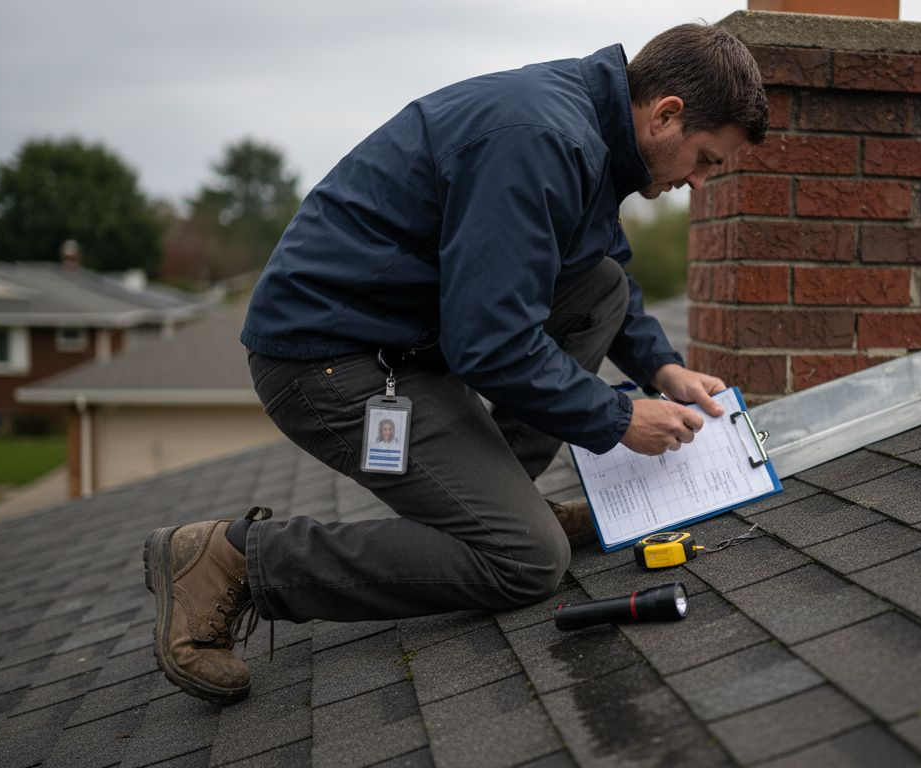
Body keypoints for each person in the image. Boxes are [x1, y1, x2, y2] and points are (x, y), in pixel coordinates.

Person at [142, 22, 767, 704]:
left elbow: (593, 274)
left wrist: (663, 369)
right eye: (706, 160)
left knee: (602, 289)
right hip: (328, 360)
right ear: (666, 114)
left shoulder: (591, 134)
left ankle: (502, 503)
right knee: (527, 561)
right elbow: (491, 344)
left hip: (408, 341)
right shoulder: (542, 141)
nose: (701, 183)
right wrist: (618, 417)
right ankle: (234, 559)